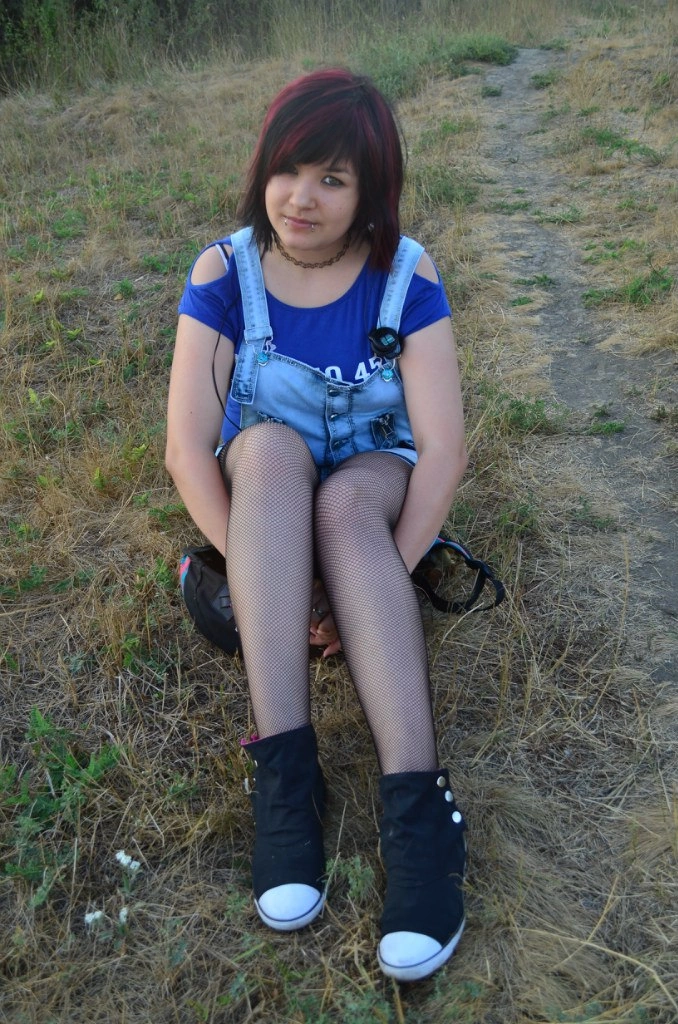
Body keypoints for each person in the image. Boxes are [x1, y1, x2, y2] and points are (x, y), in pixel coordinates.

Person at [165, 68, 468, 983]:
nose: (302, 197)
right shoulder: (224, 272)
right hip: (266, 500)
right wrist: (278, 588)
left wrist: (376, 575)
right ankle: (286, 781)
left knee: (345, 505)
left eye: (333, 179)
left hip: (373, 480)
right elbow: (188, 451)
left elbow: (442, 451)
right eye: (289, 170)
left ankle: (420, 809)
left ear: (370, 192)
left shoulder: (406, 274)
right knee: (262, 451)